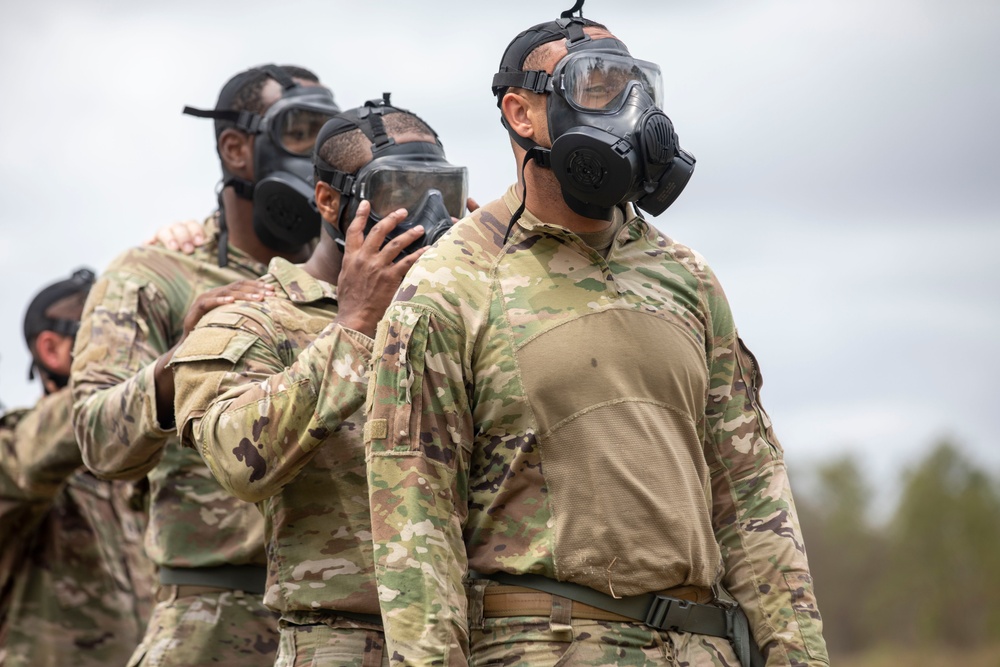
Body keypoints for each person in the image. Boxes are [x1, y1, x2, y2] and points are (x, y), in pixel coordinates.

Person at [363, 7, 830, 667]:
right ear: (521, 114)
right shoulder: (452, 282)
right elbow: (414, 518)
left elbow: (751, 490)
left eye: (635, 87)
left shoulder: (685, 277)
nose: (628, 110)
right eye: (597, 88)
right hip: (548, 644)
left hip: (702, 647)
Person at [170, 96, 470, 666]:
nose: (427, 213)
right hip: (338, 641)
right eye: (399, 194)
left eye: (441, 192)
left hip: (464, 635)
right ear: (331, 202)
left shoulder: (459, 313)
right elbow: (239, 459)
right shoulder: (250, 317)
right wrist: (354, 325)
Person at [71, 64, 341, 666]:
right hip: (213, 620)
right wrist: (184, 361)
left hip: (343, 624)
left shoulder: (351, 281)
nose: (315, 157)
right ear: (235, 147)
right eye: (298, 133)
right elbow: (94, 437)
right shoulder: (156, 275)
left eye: (328, 139)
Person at [1, 269, 153, 666]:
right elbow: (30, 457)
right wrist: (135, 379)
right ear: (51, 350)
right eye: (104, 340)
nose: (128, 352)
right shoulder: (15, 448)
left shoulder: (130, 466)